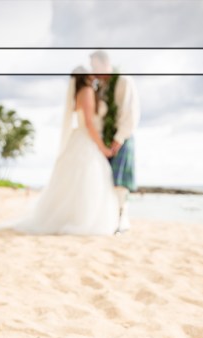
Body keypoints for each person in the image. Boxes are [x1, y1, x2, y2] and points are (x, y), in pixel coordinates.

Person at [0, 66, 120, 235]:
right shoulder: (87, 91)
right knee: (87, 180)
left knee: (75, 182)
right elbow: (90, 124)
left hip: (78, 139)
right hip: (86, 139)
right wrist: (103, 148)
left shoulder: (80, 92)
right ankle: (81, 220)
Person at [90, 50, 141, 233]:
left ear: (106, 64)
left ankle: (122, 219)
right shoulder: (101, 87)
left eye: (96, 67)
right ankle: (109, 217)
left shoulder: (123, 81)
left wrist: (118, 139)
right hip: (105, 139)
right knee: (106, 180)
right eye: (92, 68)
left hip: (123, 137)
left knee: (120, 183)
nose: (94, 71)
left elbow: (131, 114)